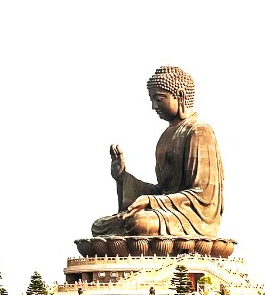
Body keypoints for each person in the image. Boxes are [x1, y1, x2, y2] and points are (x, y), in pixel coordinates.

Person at [91, 66, 224, 237]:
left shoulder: (199, 131)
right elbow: (163, 191)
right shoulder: (166, 136)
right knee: (100, 226)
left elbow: (203, 197)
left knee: (139, 223)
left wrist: (151, 201)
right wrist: (123, 177)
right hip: (169, 212)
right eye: (152, 100)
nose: (154, 106)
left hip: (194, 218)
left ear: (180, 95)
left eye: (159, 99)